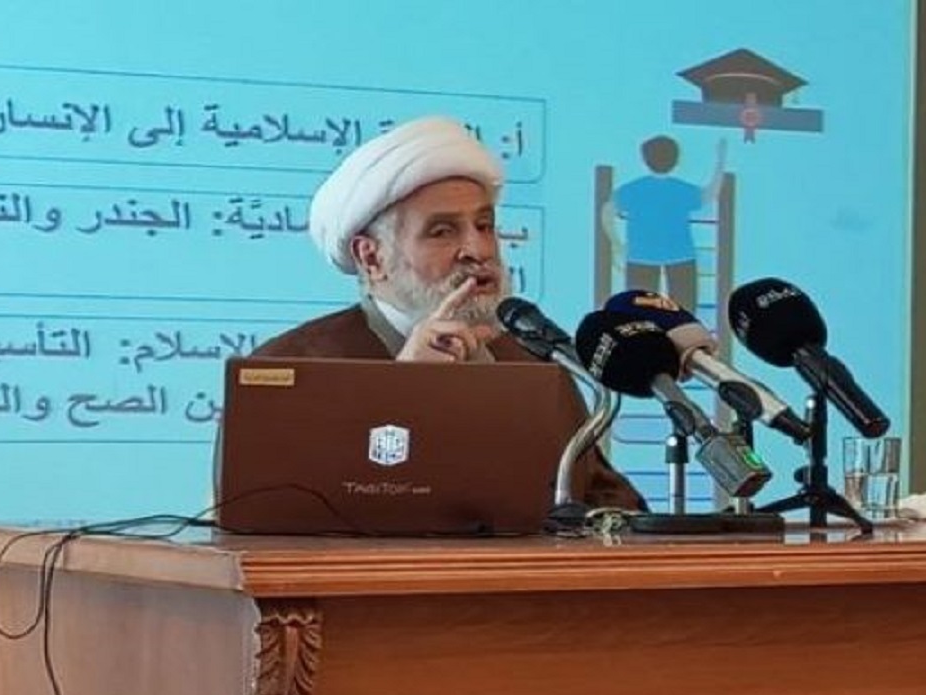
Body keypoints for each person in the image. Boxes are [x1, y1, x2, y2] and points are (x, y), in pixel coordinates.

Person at [254, 116, 645, 512]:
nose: (478, 250)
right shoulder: (293, 367)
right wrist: (399, 394)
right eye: (442, 231)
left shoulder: (535, 361)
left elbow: (606, 502)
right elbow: (268, 517)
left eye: (484, 226)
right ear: (371, 258)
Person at [602, 135, 727, 315]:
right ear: (676, 160)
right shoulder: (682, 189)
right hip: (680, 255)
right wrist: (720, 161)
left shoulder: (632, 189)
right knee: (684, 312)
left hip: (641, 255)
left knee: (640, 314)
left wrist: (617, 243)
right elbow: (710, 194)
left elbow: (607, 212)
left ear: (645, 159)